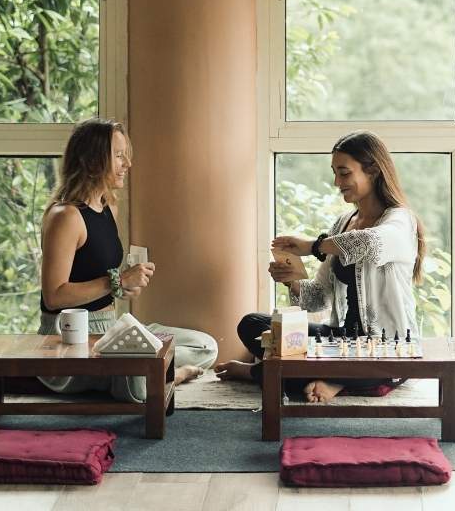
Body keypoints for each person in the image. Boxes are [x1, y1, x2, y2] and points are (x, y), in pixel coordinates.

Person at [216, 131, 424, 403]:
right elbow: (319, 298)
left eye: (344, 173)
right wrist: (292, 280)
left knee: (383, 363)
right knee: (253, 324)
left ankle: (272, 374)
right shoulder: (343, 223)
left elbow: (369, 243)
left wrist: (312, 246)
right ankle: (333, 378)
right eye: (335, 173)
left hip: (385, 346)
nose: (337, 182)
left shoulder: (399, 220)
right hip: (340, 342)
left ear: (372, 171)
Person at [38, 118, 217, 402]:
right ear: (92, 161)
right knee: (137, 383)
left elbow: (104, 281)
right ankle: (172, 374)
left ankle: (157, 369)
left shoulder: (109, 206)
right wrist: (118, 281)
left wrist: (125, 286)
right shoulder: (66, 216)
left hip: (111, 327)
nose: (127, 164)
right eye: (119, 155)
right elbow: (54, 297)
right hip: (70, 338)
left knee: (205, 346)